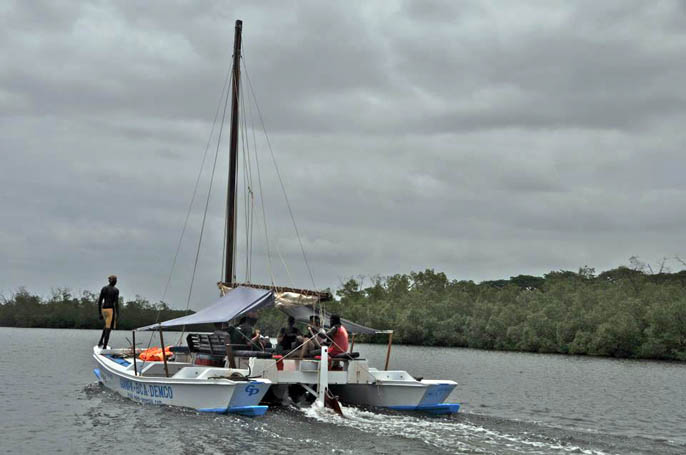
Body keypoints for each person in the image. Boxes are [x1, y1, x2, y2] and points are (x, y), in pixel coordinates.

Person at [97, 275, 120, 348]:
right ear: (111, 281)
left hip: (104, 309)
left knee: (106, 325)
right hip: (110, 310)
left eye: (116, 280)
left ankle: (101, 341)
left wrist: (100, 313)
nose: (115, 282)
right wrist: (117, 313)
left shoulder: (104, 288)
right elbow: (116, 303)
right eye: (115, 280)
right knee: (108, 329)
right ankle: (104, 346)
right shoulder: (115, 290)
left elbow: (100, 301)